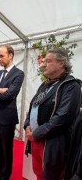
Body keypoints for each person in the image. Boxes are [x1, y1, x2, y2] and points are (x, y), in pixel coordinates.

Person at [24, 48, 81, 180]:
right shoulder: (45, 84)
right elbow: (33, 106)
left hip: (52, 143)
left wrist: (36, 133)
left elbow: (63, 118)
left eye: (48, 61)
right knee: (39, 173)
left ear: (61, 63)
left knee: (51, 176)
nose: (44, 64)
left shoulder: (71, 86)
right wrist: (27, 124)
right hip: (36, 140)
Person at [0, 44, 24, 180]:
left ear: (11, 55)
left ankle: (5, 176)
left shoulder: (18, 74)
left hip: (7, 118)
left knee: (6, 149)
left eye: (2, 56)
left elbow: (10, 94)